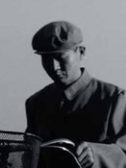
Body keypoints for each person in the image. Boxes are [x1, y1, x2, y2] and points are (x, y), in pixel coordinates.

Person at [25, 21, 126, 168]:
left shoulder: (115, 99)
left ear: (81, 52)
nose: (54, 66)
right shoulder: (36, 103)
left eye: (60, 57)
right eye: (46, 58)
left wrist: (98, 154)